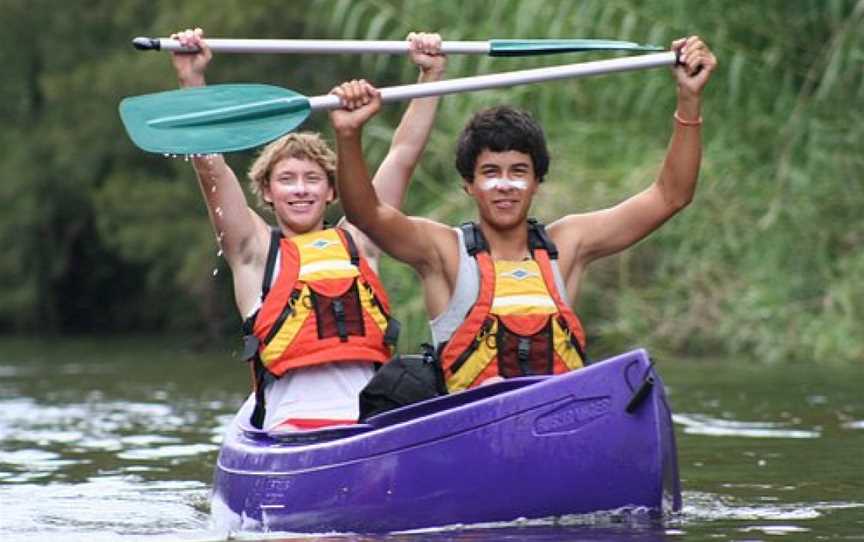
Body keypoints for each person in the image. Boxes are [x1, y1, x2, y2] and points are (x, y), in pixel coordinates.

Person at [330, 36, 717, 392]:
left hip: (555, 423)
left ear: (536, 182)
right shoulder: (442, 251)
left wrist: (688, 99)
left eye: (518, 172)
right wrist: (349, 136)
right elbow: (367, 214)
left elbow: (671, 196)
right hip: (473, 429)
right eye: (490, 173)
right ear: (469, 184)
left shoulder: (570, 244)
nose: (504, 186)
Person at [169, 28, 447, 430]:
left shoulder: (362, 239)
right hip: (291, 430)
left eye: (312, 179)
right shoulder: (253, 250)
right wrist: (191, 81)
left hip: (369, 427)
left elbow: (403, 155)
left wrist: (430, 76)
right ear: (266, 191)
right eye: (287, 179)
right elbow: (210, 166)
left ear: (333, 189)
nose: (300, 190)